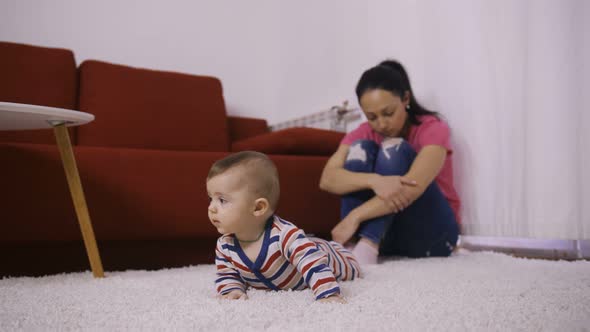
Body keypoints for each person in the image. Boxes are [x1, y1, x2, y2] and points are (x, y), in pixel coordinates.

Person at [319, 60, 461, 265]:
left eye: (388, 113)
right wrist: (374, 181)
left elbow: (411, 188)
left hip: (434, 235)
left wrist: (354, 217)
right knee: (361, 149)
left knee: (393, 149)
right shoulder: (364, 132)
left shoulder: (432, 128)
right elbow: (327, 178)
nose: (381, 124)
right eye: (372, 117)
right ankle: (353, 247)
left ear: (405, 99)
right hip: (390, 235)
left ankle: (367, 244)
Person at [207, 151, 360, 303]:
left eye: (222, 200)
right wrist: (232, 290)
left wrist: (328, 294)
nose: (211, 208)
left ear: (258, 208)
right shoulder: (225, 245)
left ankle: (347, 248)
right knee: (306, 243)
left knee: (351, 268)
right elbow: (227, 274)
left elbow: (312, 263)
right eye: (210, 199)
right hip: (305, 246)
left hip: (327, 254)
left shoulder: (284, 235)